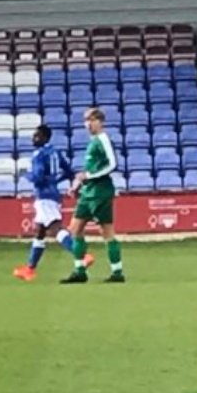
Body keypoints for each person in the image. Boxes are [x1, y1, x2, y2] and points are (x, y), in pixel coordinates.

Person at [13, 124, 93, 281]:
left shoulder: (38, 154)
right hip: (53, 194)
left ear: (44, 137)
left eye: (36, 136)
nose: (33, 139)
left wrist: (25, 174)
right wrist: (56, 181)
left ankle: (83, 256)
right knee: (40, 231)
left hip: (44, 196)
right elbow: (69, 171)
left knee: (56, 229)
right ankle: (30, 269)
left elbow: (38, 178)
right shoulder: (55, 152)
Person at [60, 107, 125, 284]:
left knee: (106, 232)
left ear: (99, 121)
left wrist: (89, 176)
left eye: (91, 120)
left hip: (101, 192)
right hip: (88, 192)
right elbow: (90, 169)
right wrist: (78, 183)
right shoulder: (93, 141)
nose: (88, 124)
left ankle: (117, 272)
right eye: (86, 121)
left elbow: (112, 164)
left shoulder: (103, 139)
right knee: (75, 230)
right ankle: (80, 270)